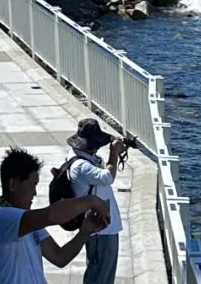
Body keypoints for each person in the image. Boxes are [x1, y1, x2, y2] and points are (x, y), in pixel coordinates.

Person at [0, 147, 108, 283]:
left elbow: (59, 257)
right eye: (33, 185)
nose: (35, 193)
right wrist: (92, 201)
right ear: (13, 184)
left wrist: (85, 232)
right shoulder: (1, 218)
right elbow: (52, 215)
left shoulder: (29, 223)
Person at [64, 119, 125, 284]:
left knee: (98, 274)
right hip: (100, 229)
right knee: (101, 277)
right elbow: (107, 177)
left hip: (101, 226)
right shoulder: (81, 166)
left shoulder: (81, 157)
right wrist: (114, 154)